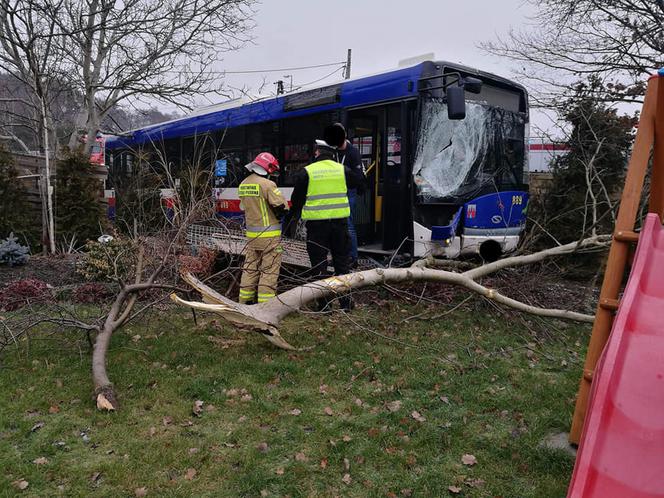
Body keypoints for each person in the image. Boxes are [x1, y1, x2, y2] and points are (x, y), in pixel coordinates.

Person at [285, 139, 364, 311]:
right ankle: (346, 304)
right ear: (332, 153)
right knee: (342, 265)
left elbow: (296, 200)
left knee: (319, 266)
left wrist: (291, 218)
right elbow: (358, 182)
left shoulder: (308, 171)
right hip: (340, 226)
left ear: (317, 152)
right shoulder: (342, 170)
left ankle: (324, 305)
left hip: (317, 228)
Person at [237, 152, 289, 305]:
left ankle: (245, 301)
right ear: (267, 168)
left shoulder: (243, 184)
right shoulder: (268, 185)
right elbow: (282, 207)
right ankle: (266, 305)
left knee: (250, 268)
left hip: (252, 237)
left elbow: (242, 207)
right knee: (269, 271)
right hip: (269, 236)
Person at [323, 123, 364, 267]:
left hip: (348, 192)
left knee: (348, 225)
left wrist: (343, 171)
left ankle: (353, 257)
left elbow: (358, 177)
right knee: (335, 226)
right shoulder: (333, 152)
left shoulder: (353, 152)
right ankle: (338, 256)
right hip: (335, 191)